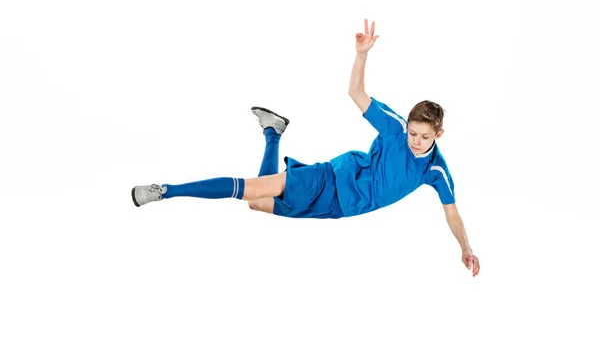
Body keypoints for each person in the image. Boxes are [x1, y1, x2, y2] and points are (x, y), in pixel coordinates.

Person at [131, 19, 481, 277]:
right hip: (332, 180)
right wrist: (361, 55)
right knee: (249, 189)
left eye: (424, 137)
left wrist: (465, 248)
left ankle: (273, 132)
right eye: (414, 133)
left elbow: (452, 212)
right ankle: (165, 191)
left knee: (256, 203)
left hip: (342, 208)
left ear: (439, 135)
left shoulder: (436, 171)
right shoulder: (395, 128)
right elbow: (357, 95)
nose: (416, 140)